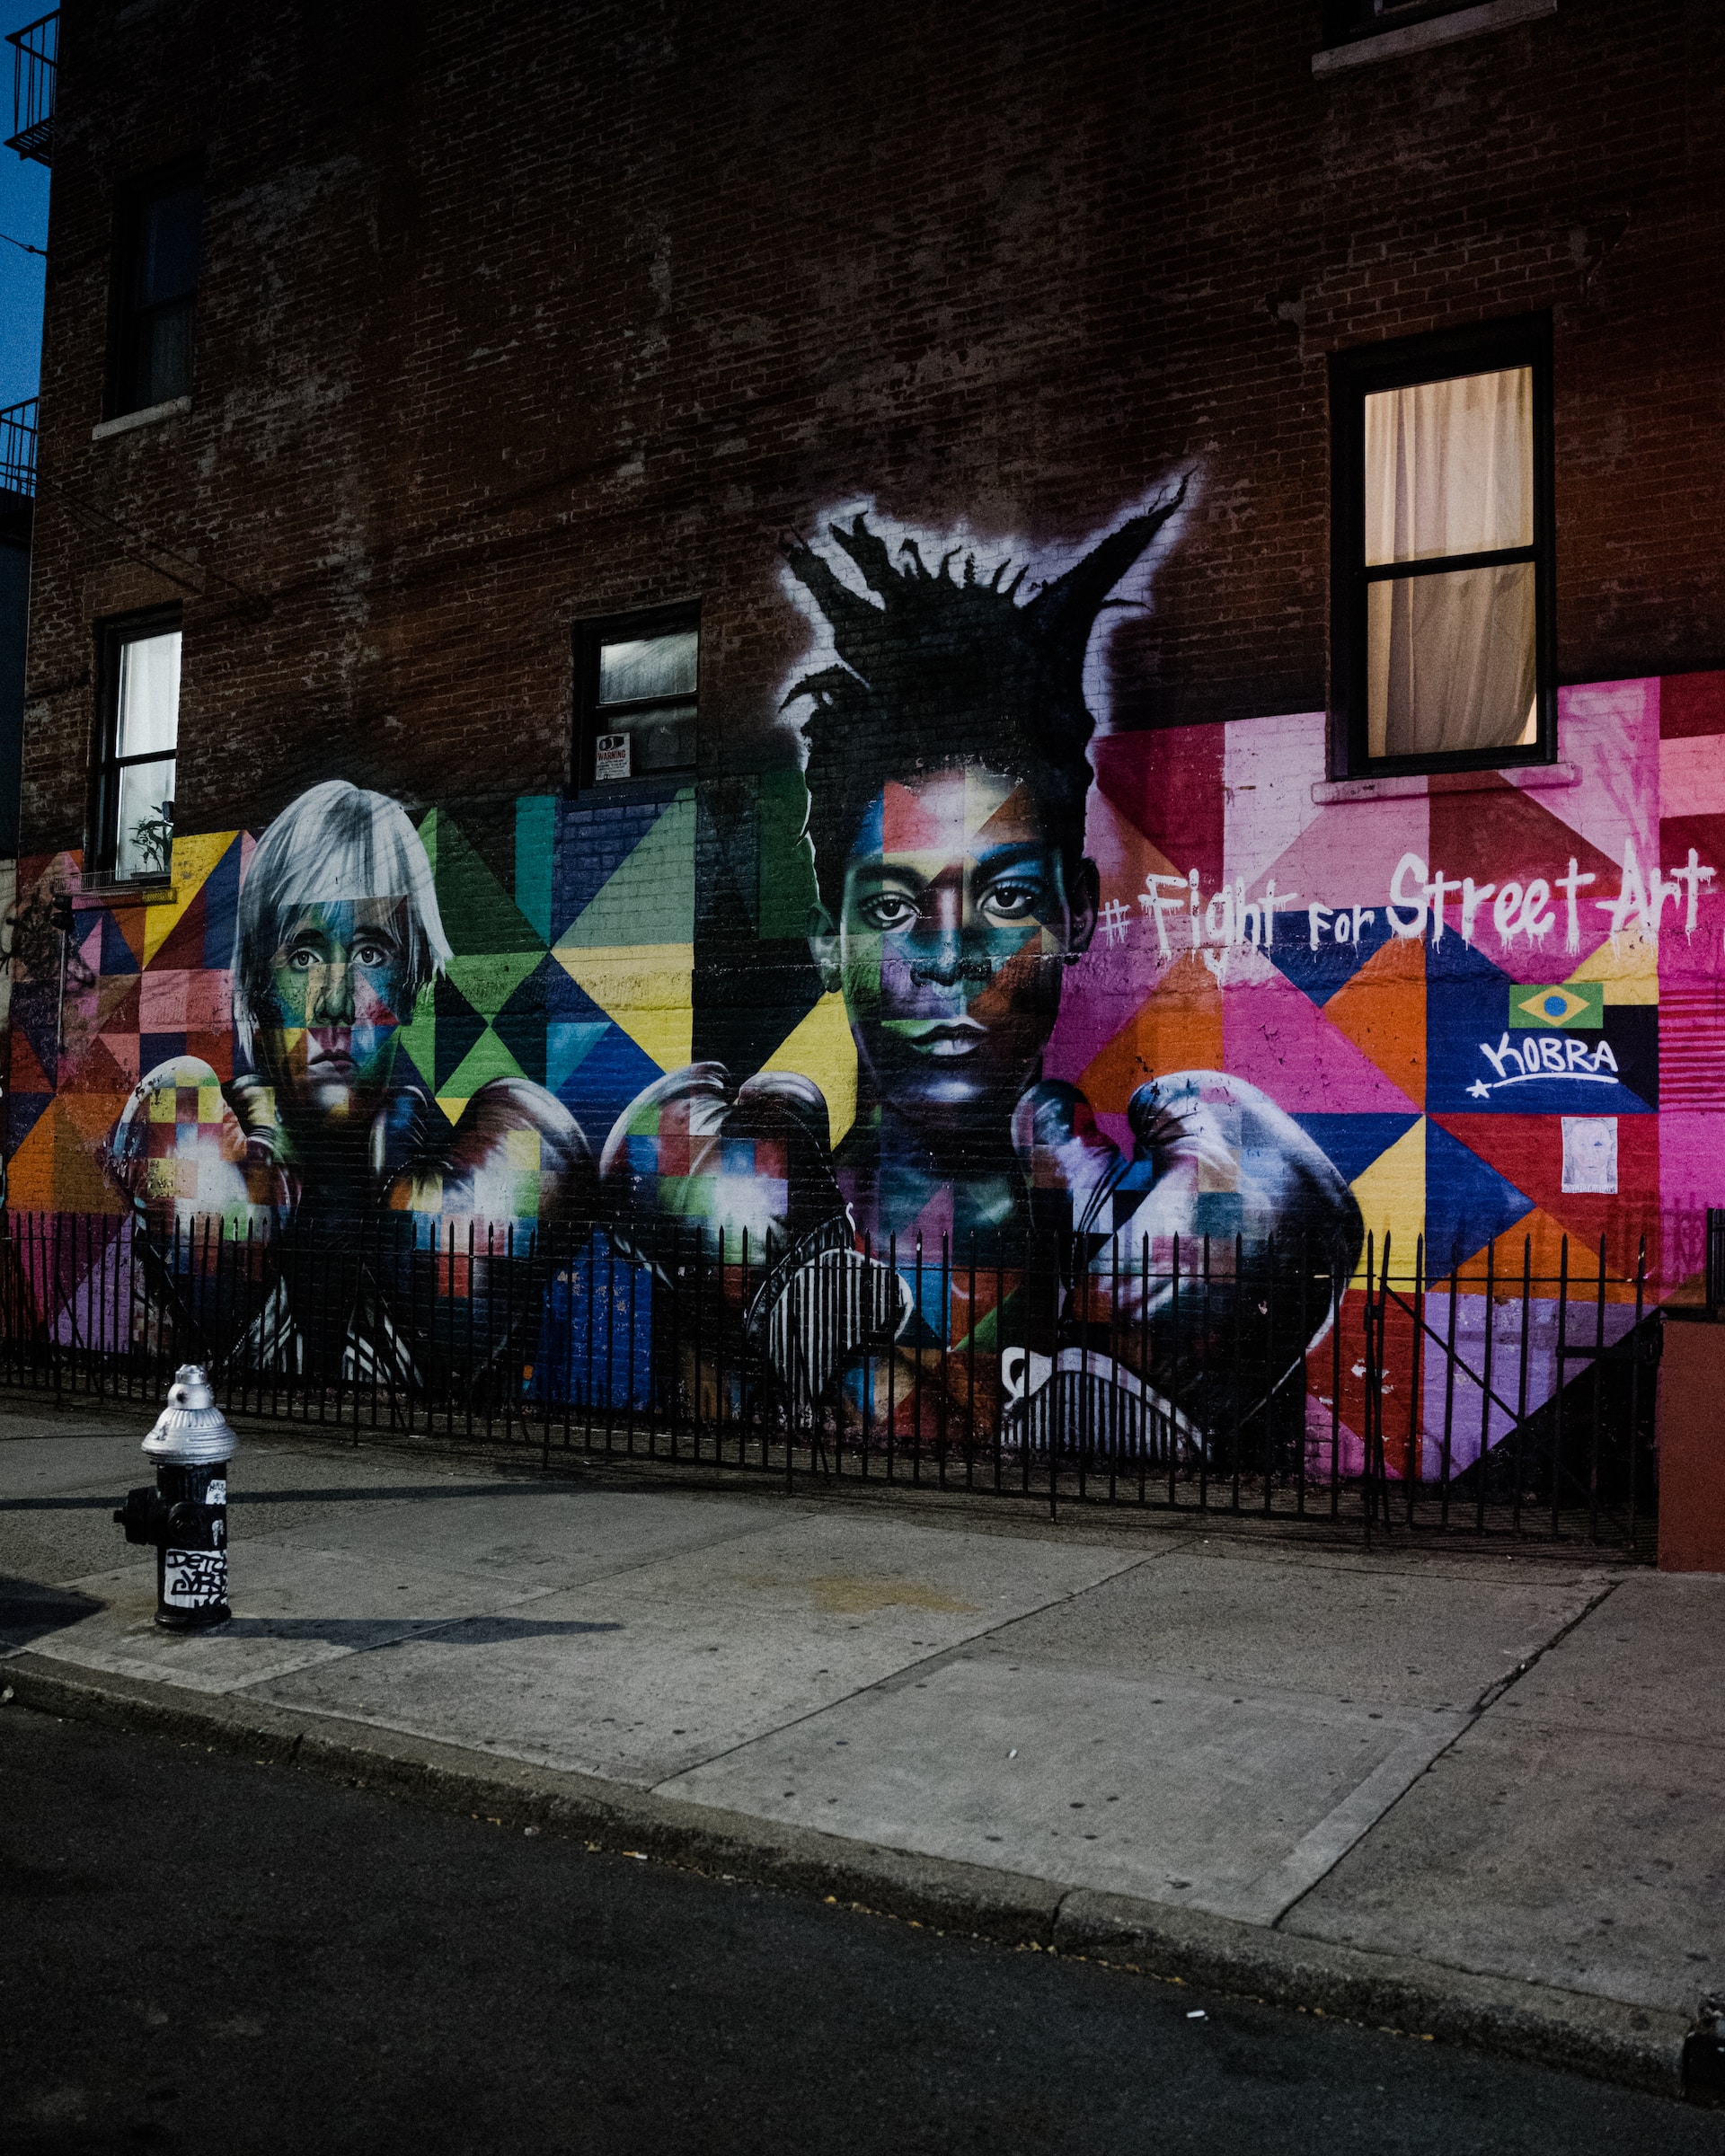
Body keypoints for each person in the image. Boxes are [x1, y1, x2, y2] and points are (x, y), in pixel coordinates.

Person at [600, 496, 1364, 1449]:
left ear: (1076, 913)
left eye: (1005, 900)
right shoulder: (742, 1196)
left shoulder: (1167, 1208)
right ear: (826, 946)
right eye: (889, 908)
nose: (950, 955)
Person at [109, 780, 591, 1376]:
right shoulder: (193, 1142)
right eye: (304, 956)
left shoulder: (481, 1162)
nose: (335, 1005)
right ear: (260, 987)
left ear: (412, 984)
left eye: (370, 955)